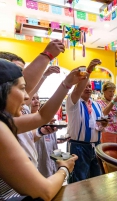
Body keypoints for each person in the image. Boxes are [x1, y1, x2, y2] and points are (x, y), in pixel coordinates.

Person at [0, 59, 85, 200]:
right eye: (22, 88)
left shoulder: (5, 122)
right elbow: (44, 192)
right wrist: (64, 168)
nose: (27, 96)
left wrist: (66, 84)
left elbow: (42, 116)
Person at [66, 59, 107, 183]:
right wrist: (89, 70)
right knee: (78, 180)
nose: (88, 88)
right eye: (85, 86)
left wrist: (103, 125)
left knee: (96, 179)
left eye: (90, 86)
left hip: (96, 146)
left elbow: (98, 126)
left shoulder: (96, 105)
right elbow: (78, 90)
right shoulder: (73, 102)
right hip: (78, 146)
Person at [32, 93, 59, 178]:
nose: (36, 101)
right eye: (33, 99)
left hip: (49, 163)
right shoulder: (26, 122)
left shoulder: (48, 122)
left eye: (37, 98)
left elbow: (53, 145)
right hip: (36, 166)